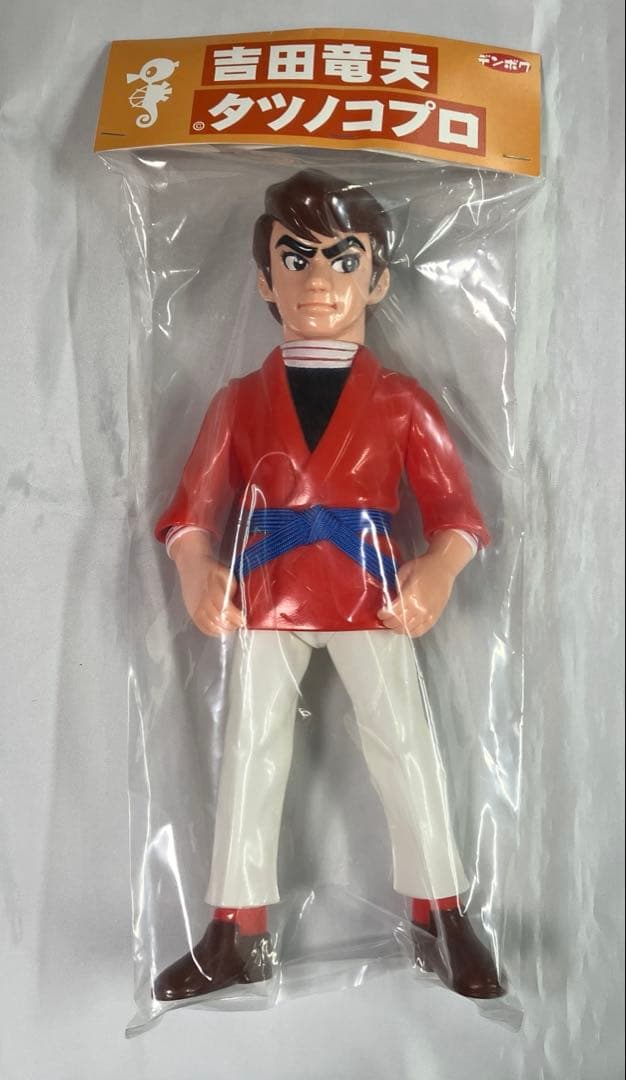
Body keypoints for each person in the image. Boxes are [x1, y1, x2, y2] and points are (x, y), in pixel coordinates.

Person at [152, 169, 505, 1001]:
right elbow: (191, 510)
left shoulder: (402, 400)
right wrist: (196, 564)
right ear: (264, 278)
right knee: (250, 754)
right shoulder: (239, 401)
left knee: (405, 745)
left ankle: (441, 913)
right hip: (266, 590)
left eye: (344, 260)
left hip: (372, 593)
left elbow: (457, 514)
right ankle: (234, 927)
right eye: (296, 258)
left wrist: (440, 569)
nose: (318, 280)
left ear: (377, 279)